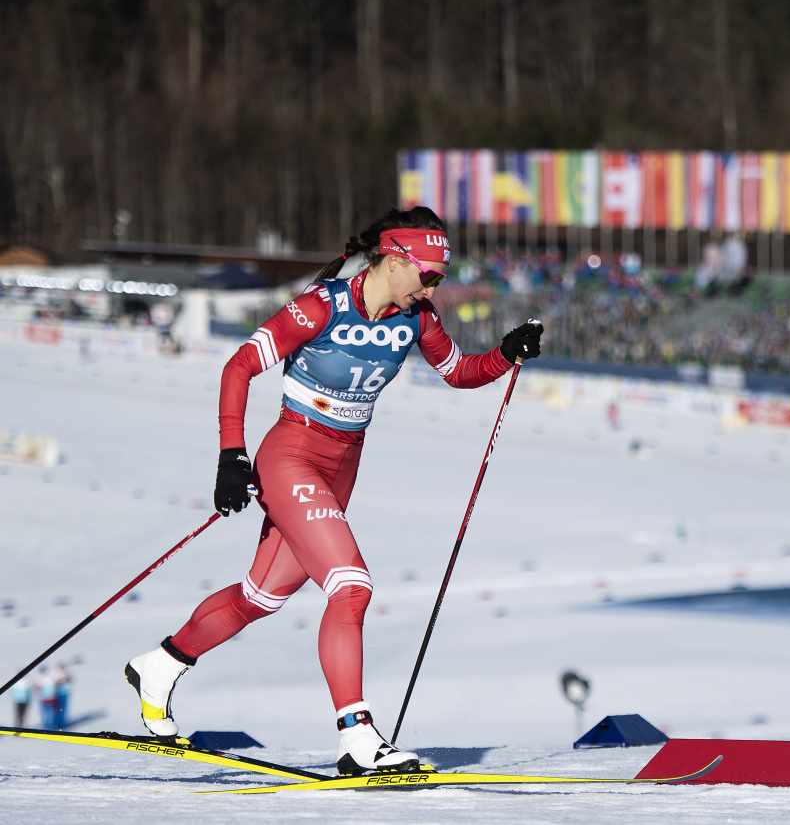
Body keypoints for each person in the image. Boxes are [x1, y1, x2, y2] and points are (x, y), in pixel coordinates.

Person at [123, 206, 542, 776]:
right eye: (428, 275)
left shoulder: (418, 318)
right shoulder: (322, 305)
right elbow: (240, 366)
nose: (432, 288)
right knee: (351, 587)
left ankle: (161, 665)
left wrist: (507, 353)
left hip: (342, 466)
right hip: (291, 454)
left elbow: (459, 372)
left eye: (439, 279)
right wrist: (231, 455)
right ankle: (358, 737)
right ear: (393, 260)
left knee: (261, 596)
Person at [53, 663, 72, 730]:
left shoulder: (66, 673)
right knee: (57, 709)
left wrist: (66, 678)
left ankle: (62, 723)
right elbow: (55, 682)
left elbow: (70, 679)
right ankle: (57, 724)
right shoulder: (56, 673)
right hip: (58, 693)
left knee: (63, 709)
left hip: (64, 693)